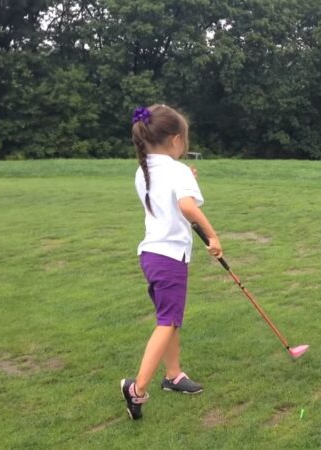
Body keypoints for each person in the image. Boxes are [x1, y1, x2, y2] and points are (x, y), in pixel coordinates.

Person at [121, 104, 223, 420]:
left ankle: (173, 375)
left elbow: (170, 196)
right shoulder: (176, 172)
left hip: (151, 255)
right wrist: (213, 237)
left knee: (170, 318)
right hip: (169, 258)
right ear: (176, 140)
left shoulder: (144, 169)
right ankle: (136, 390)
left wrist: (184, 176)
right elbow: (187, 208)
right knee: (167, 323)